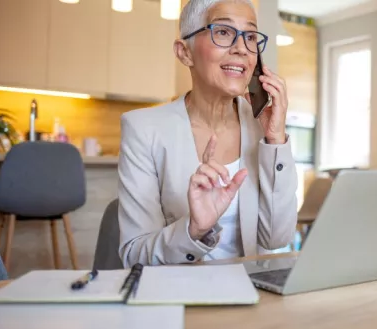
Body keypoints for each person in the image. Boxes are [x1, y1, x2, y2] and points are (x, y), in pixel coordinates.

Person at [117, 0, 298, 267]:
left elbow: (277, 238)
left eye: (250, 36)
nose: (241, 49)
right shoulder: (143, 129)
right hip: (177, 296)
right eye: (223, 32)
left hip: (251, 291)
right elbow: (134, 255)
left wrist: (276, 140)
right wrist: (194, 230)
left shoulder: (264, 127)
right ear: (184, 52)